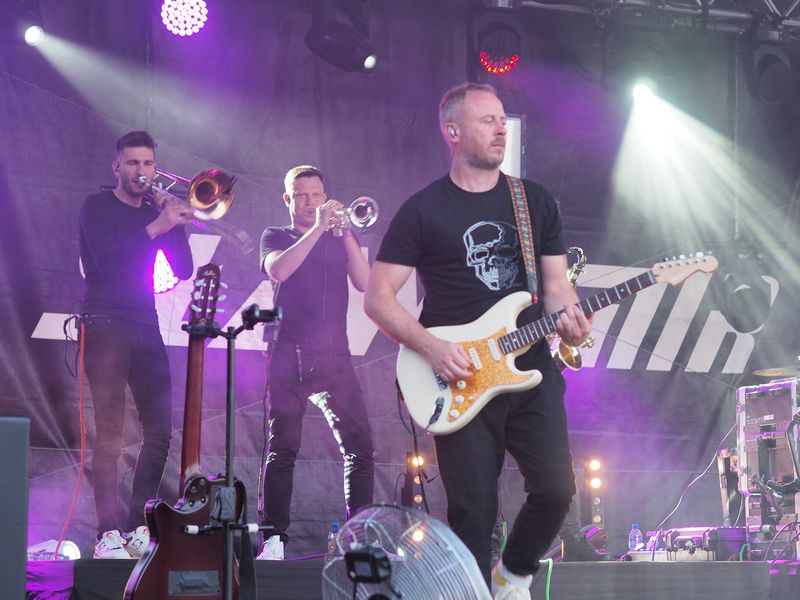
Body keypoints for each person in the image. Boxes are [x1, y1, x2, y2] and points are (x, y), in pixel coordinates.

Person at [364, 83, 592, 598]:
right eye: (487, 120)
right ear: (453, 131)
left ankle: (512, 575)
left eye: (502, 120)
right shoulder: (423, 210)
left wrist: (571, 317)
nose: (500, 129)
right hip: (459, 376)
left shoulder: (534, 201)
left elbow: (557, 286)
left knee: (557, 489)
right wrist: (432, 347)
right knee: (473, 514)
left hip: (530, 368)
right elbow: (378, 299)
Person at [79, 130, 193, 559]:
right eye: (133, 163)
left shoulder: (153, 212)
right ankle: (106, 533)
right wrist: (157, 226)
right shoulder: (97, 206)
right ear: (117, 167)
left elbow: (183, 269)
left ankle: (137, 526)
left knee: (160, 431)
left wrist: (175, 225)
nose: (141, 171)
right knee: (110, 432)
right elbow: (106, 261)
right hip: (105, 321)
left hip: (146, 323)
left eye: (147, 163)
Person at [256, 165, 374, 560]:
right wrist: (320, 228)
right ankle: (274, 538)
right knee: (283, 448)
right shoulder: (276, 236)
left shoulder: (338, 238)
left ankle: (359, 540)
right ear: (287, 200)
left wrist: (346, 233)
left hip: (335, 356)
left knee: (360, 449)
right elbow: (280, 270)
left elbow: (365, 283)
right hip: (289, 354)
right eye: (302, 196)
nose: (311, 203)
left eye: (317, 195)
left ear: (325, 196)